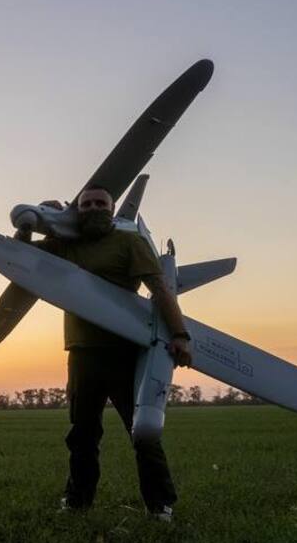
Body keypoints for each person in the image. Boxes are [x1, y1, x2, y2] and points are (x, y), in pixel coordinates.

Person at [20, 186, 193, 521]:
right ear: (78, 210)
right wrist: (37, 221)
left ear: (112, 210)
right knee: (82, 434)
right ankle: (77, 501)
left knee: (141, 431)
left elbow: (160, 290)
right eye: (87, 204)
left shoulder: (130, 242)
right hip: (83, 354)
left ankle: (160, 504)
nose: (94, 208)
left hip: (126, 351)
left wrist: (180, 334)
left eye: (101, 203)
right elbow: (25, 259)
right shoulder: (66, 245)